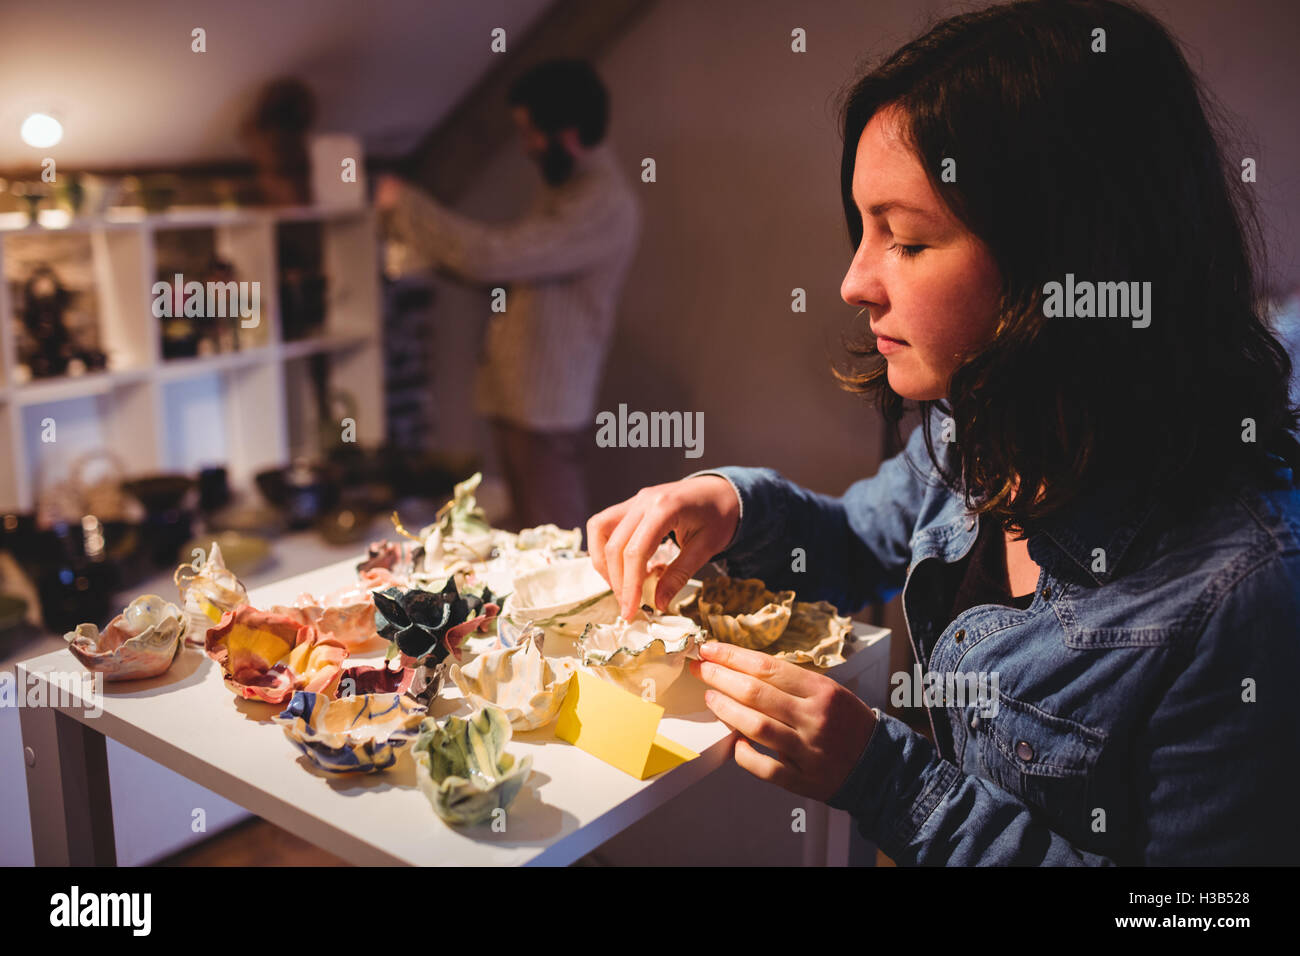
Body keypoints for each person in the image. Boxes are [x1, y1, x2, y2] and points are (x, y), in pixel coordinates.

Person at [586, 0, 1300, 865]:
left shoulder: (1247, 593)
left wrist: (890, 783)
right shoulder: (981, 421)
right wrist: (730, 502)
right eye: (863, 229)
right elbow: (853, 541)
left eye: (908, 240)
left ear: (1064, 255)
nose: (853, 281)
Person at [376, 59, 641, 533]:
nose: (527, 147)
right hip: (524, 403)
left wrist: (405, 203)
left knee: (556, 542)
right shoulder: (564, 190)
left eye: (531, 132)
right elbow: (506, 272)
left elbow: (493, 257)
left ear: (569, 132)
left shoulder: (601, 204)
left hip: (547, 409)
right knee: (530, 533)